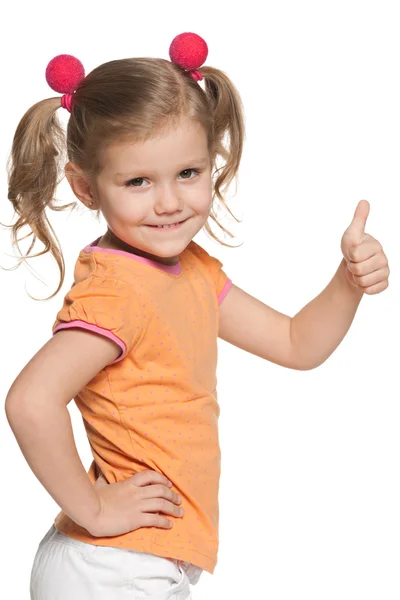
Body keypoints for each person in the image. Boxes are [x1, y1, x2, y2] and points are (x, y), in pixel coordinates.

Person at [4, 31, 389, 600]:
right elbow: (30, 401)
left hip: (147, 559)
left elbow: (294, 343)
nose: (169, 202)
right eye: (138, 181)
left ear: (213, 164)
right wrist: (92, 508)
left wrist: (348, 283)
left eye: (189, 173)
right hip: (112, 566)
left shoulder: (194, 272)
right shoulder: (120, 292)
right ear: (86, 188)